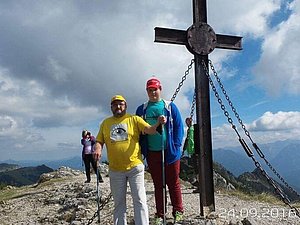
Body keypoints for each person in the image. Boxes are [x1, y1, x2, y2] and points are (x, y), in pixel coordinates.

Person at [93, 95, 166, 225]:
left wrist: (158, 123)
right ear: (111, 107)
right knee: (119, 203)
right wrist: (97, 148)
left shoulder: (134, 119)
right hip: (115, 170)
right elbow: (99, 140)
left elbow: (149, 129)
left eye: (121, 104)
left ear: (126, 105)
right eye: (115, 104)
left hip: (135, 167)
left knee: (140, 200)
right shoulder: (105, 123)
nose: (118, 106)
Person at [136, 77, 184, 224]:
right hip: (152, 152)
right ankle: (160, 214)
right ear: (147, 91)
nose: (153, 92)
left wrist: (175, 146)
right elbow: (138, 129)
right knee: (158, 184)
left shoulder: (170, 107)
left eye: (155, 89)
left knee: (173, 182)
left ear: (160, 89)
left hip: (170, 152)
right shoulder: (142, 109)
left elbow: (179, 127)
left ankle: (178, 211)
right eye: (150, 90)